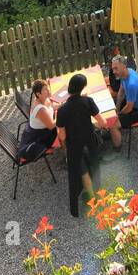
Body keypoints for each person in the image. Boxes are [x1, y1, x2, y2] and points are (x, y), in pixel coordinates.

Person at [55, 73, 106, 217]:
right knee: (95, 167)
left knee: (78, 172)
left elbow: (62, 135)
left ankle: (76, 209)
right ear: (82, 88)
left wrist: (65, 148)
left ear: (69, 88)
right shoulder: (88, 101)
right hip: (89, 141)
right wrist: (91, 124)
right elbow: (103, 123)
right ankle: (98, 197)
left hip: (74, 146)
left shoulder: (62, 110)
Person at [109, 55, 138, 151]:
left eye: (116, 68)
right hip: (131, 104)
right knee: (111, 108)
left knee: (112, 125)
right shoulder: (127, 72)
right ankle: (114, 132)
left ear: (123, 66)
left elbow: (129, 108)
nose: (114, 71)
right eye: (113, 68)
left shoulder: (131, 84)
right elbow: (121, 90)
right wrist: (117, 106)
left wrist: (118, 114)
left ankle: (117, 147)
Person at [18, 79, 58, 162]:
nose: (48, 90)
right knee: (64, 126)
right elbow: (51, 126)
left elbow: (52, 107)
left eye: (48, 88)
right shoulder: (40, 109)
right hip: (40, 137)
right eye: (45, 89)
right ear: (38, 94)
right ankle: (68, 154)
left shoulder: (43, 99)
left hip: (40, 131)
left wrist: (64, 104)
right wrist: (61, 116)